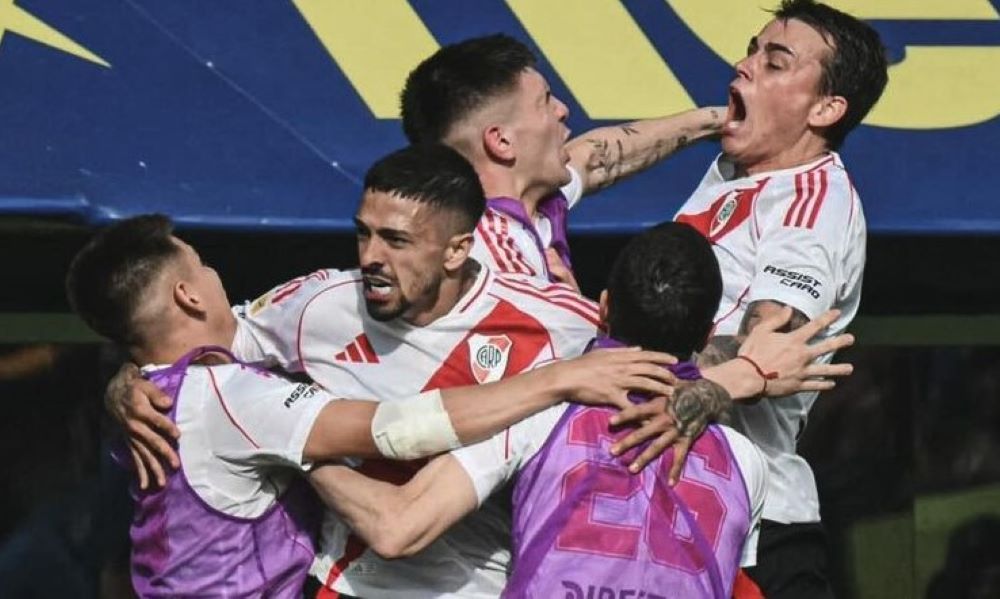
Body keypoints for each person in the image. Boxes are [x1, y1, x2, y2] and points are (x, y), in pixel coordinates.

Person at [111, 144, 853, 598]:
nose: (371, 256)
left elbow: (653, 360)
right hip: (353, 584)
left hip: (478, 585)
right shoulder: (312, 304)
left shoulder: (555, 324)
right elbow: (194, 347)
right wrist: (127, 378)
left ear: (459, 249)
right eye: (364, 233)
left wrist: (744, 368)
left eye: (397, 240)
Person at [70, 213, 681, 596]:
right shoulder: (233, 398)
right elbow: (399, 430)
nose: (216, 276)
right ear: (186, 294)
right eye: (204, 267)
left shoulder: (156, 398)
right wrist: (557, 381)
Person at [306, 222, 851, 598]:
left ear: (604, 308)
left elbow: (399, 527)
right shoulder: (746, 461)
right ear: (709, 333)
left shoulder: (537, 416)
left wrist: (297, 440)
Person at [672, 1, 889, 597]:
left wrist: (646, 393)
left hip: (756, 526)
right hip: (685, 500)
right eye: (750, 51)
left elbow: (769, 332)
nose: (743, 66)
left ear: (826, 108)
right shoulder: (734, 174)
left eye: (775, 62)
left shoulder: (812, 201)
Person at [401, 34, 725, 286]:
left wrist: (714, 121)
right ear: (501, 141)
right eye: (544, 101)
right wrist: (574, 318)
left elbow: (597, 157)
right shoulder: (487, 263)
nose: (562, 109)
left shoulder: (532, 203)